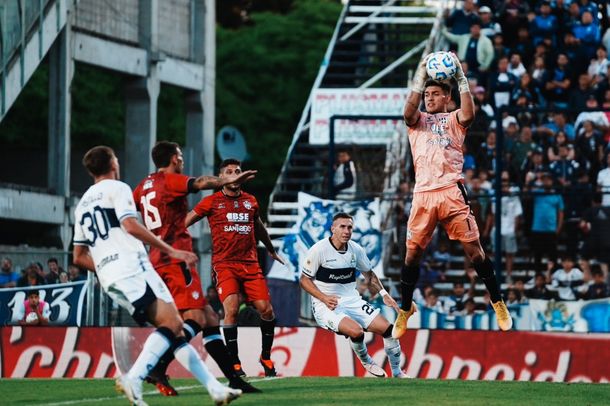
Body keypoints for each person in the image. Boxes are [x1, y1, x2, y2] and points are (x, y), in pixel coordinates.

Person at [72, 146, 241, 406]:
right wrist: (171, 249)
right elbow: (130, 225)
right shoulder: (119, 188)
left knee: (176, 326)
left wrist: (106, 268)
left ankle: (214, 388)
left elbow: (78, 257)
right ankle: (137, 376)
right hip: (135, 266)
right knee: (180, 322)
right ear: (113, 164)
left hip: (110, 277)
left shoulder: (82, 204)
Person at [393, 52, 512, 340]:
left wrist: (460, 78)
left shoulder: (453, 119)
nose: (429, 98)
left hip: (451, 192)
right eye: (427, 94)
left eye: (435, 94)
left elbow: (469, 114)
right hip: (423, 195)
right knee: (412, 256)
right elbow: (407, 113)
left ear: (447, 97)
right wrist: (420, 78)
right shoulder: (417, 120)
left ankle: (498, 301)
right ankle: (405, 309)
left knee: (475, 252)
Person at [133, 141, 259, 395]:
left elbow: (136, 209)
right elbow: (200, 183)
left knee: (210, 317)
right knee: (194, 319)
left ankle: (234, 379)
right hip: (176, 258)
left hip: (158, 257)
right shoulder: (169, 180)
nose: (181, 160)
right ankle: (155, 366)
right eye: (179, 156)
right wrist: (226, 181)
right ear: (172, 159)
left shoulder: (143, 186)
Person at [185, 158, 285, 378]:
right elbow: (186, 221)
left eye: (237, 171)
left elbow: (258, 227)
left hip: (250, 264)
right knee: (230, 310)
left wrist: (270, 248)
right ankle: (235, 363)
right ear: (222, 177)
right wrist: (168, 242)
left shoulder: (251, 201)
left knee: (266, 310)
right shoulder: (211, 202)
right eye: (229, 171)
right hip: (225, 265)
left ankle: (265, 356)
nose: (234, 174)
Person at [300, 212, 408, 378]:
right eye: (342, 227)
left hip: (352, 300)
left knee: (389, 330)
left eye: (350, 227)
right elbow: (304, 281)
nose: (346, 231)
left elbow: (369, 274)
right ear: (333, 229)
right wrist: (324, 298)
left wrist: (383, 293)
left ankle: (397, 372)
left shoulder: (356, 250)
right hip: (325, 305)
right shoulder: (319, 250)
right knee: (357, 332)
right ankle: (367, 361)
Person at [530, 173, 564, 273]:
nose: (546, 182)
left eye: (548, 179)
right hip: (537, 229)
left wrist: (559, 227)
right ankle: (538, 276)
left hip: (550, 229)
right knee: (537, 255)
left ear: (552, 181)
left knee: (553, 255)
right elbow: (526, 190)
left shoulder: (557, 195)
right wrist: (534, 178)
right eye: (544, 180)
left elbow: (561, 213)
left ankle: (552, 276)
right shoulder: (537, 193)